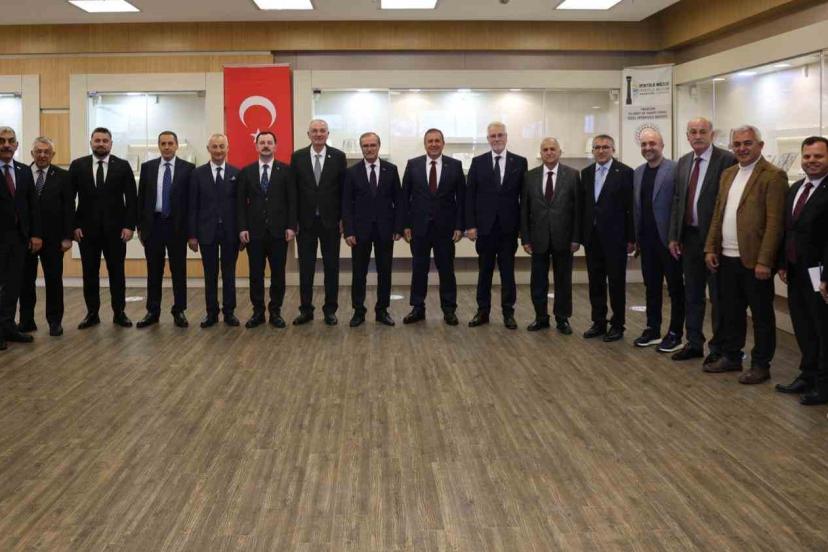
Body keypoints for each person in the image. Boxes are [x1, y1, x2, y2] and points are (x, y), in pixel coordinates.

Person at [704, 125, 787, 384]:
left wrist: (765, 261)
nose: (742, 148)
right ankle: (732, 356)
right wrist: (710, 247)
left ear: (760, 146)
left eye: (747, 143)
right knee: (732, 312)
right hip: (726, 257)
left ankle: (761, 364)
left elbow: (775, 223)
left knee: (761, 316)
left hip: (755, 261)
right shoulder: (728, 173)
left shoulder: (773, 176)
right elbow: (718, 213)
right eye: (737, 144)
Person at [668, 117, 736, 363]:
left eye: (702, 131)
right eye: (693, 132)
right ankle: (694, 342)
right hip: (689, 237)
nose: (697, 136)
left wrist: (715, 241)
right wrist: (674, 236)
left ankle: (718, 347)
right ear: (687, 136)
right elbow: (678, 201)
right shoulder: (684, 162)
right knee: (693, 293)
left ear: (711, 134)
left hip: (715, 240)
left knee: (718, 296)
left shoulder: (727, 160)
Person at [776, 136, 828, 405]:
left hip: (821, 275)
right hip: (796, 272)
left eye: (818, 156)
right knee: (803, 325)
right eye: (807, 156)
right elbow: (789, 230)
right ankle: (807, 375)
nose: (811, 161)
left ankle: (824, 384)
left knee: (823, 329)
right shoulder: (796, 187)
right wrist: (783, 263)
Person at [71, 127, 137, 329]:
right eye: (97, 140)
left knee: (117, 273)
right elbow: (68, 198)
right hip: (86, 231)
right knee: (89, 274)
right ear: (91, 142)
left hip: (116, 231)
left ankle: (119, 313)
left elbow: (132, 199)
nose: (101, 144)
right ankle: (92, 314)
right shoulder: (78, 165)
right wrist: (73, 226)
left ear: (111, 144)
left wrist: (129, 226)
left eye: (105, 141)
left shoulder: (122, 166)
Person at [465, 122, 527, 329]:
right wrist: (471, 225)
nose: (497, 139)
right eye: (493, 136)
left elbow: (524, 199)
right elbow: (470, 196)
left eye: (500, 135)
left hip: (509, 229)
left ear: (506, 137)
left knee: (508, 273)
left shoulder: (520, 162)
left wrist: (523, 228)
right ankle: (482, 311)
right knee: (485, 272)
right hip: (485, 228)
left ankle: (508, 313)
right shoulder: (478, 162)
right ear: (488, 139)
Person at [400, 128, 465, 325]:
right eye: (430, 141)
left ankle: (449, 309)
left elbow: (462, 199)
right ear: (425, 144)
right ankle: (417, 308)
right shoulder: (413, 165)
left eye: (437, 141)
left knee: (447, 270)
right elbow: (404, 198)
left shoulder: (455, 166)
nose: (434, 144)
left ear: (443, 143)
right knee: (419, 269)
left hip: (446, 229)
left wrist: (459, 226)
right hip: (419, 228)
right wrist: (405, 225)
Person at [341, 132, 402, 327]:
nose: (369, 149)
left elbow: (399, 201)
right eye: (365, 146)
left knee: (385, 272)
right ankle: (358, 311)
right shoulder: (352, 172)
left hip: (386, 230)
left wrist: (398, 227)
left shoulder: (391, 170)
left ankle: (382, 310)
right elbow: (346, 205)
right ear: (361, 148)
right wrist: (349, 231)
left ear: (379, 146)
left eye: (372, 145)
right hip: (359, 232)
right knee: (359, 273)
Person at [237, 131, 297, 329]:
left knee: (278, 274)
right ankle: (258, 312)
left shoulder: (286, 171)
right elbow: (240, 203)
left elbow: (292, 201)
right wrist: (242, 228)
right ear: (256, 146)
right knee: (256, 275)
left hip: (279, 232)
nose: (265, 145)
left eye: (269, 142)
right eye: (262, 142)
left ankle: (275, 311)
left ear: (275, 146)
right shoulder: (246, 172)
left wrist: (291, 226)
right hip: (254, 233)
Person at [520, 137, 581, 335]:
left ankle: (562, 318)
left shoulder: (572, 175)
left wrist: (576, 238)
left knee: (563, 280)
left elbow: (578, 210)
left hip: (564, 238)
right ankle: (541, 317)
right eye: (545, 149)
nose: (549, 152)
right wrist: (525, 238)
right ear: (541, 153)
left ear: (560, 152)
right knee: (538, 281)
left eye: (553, 149)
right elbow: (524, 209)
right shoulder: (529, 176)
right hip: (538, 239)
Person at [632, 129, 685, 352]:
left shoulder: (676, 169)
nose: (648, 148)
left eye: (652, 143)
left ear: (662, 145)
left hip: (669, 242)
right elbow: (637, 208)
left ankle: (675, 333)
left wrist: (676, 237)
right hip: (647, 242)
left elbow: (680, 205)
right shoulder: (638, 172)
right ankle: (652, 329)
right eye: (644, 144)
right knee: (651, 288)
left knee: (675, 289)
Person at [291, 119, 347, 326]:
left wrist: (344, 219)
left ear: (328, 134)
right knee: (306, 268)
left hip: (331, 222)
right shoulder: (297, 157)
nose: (318, 134)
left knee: (331, 268)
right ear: (308, 134)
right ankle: (306, 310)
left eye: (322, 131)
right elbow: (293, 192)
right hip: (305, 223)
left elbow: (343, 191)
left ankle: (330, 310)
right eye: (314, 131)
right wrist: (293, 221)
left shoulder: (338, 157)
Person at [136, 131, 195, 328]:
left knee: (179, 270)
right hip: (153, 225)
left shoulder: (188, 169)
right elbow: (141, 199)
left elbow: (191, 203)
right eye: (163, 144)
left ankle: (179, 310)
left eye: (170, 143)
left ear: (177, 145)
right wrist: (140, 228)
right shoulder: (148, 168)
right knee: (154, 271)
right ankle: (152, 311)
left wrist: (190, 231)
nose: (167, 147)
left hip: (177, 227)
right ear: (159, 146)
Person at [581, 134, 634, 342]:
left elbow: (630, 208)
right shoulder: (586, 173)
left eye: (605, 147)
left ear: (613, 150)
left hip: (616, 238)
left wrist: (631, 238)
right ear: (592, 151)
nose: (601, 151)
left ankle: (618, 324)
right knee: (595, 282)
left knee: (616, 282)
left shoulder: (625, 172)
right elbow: (585, 206)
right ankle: (598, 322)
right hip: (592, 238)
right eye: (597, 147)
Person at [17, 136, 72, 337]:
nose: (42, 155)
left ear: (53, 154)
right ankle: (26, 321)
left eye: (46, 152)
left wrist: (67, 237)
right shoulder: (21, 173)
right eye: (38, 151)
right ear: (31, 153)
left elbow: (69, 208)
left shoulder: (63, 176)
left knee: (54, 280)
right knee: (25, 281)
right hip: (26, 238)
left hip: (54, 239)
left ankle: (55, 321)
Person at [188, 133, 241, 328]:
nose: (218, 150)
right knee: (210, 275)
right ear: (208, 149)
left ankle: (229, 312)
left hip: (230, 232)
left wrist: (242, 232)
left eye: (221, 146)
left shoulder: (237, 173)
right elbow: (192, 206)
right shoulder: (197, 174)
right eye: (215, 147)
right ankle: (211, 313)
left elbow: (241, 207)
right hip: (206, 232)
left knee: (229, 274)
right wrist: (192, 235)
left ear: (228, 148)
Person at [0, 126, 42, 351]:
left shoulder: (24, 170)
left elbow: (32, 206)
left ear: (16, 145)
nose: (6, 145)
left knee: (13, 285)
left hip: (19, 239)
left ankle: (8, 327)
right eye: (2, 141)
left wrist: (35, 234)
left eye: (10, 141)